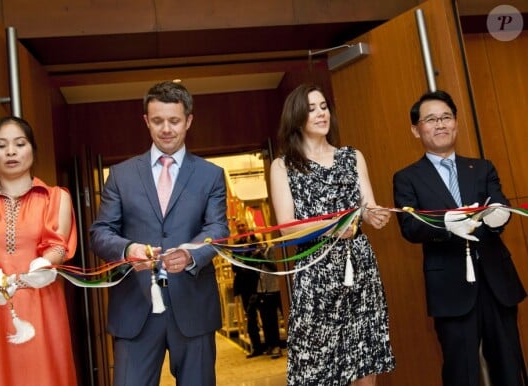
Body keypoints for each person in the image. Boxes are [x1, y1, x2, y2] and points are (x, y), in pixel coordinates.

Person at [89, 81, 229, 386]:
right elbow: (100, 232)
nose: (166, 129)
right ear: (146, 121)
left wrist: (192, 254)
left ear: (189, 120)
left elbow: (218, 229)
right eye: (157, 121)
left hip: (192, 307)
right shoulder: (121, 175)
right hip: (135, 310)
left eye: (174, 121)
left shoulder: (211, 175)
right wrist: (128, 250)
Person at [393, 89, 526, 386]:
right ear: (416, 130)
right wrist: (447, 224)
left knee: (509, 367)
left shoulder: (481, 167)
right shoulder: (407, 178)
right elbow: (410, 227)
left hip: (496, 283)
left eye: (446, 117)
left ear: (455, 123)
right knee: (461, 373)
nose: (440, 124)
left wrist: (497, 217)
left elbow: (499, 208)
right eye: (431, 119)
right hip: (450, 289)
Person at [270, 83, 395, 385]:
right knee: (318, 365)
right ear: (296, 117)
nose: (320, 113)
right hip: (315, 273)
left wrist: (373, 215)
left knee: (365, 355)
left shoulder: (352, 157)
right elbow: (287, 228)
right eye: (311, 109)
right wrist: (333, 228)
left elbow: (366, 207)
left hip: (359, 267)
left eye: (323, 106)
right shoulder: (283, 166)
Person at [0, 116, 78, 386]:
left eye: (19, 144)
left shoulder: (56, 197)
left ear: (32, 149)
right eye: (1, 145)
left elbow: (58, 246)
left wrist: (45, 263)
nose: (10, 151)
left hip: (42, 305)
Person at [232, 219, 282, 359]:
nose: (241, 227)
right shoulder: (235, 246)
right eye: (239, 226)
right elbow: (234, 266)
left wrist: (254, 253)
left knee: (267, 316)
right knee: (251, 317)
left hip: (258, 284)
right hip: (245, 286)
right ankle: (257, 347)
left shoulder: (256, 243)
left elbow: (264, 264)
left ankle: (271, 344)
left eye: (243, 225)